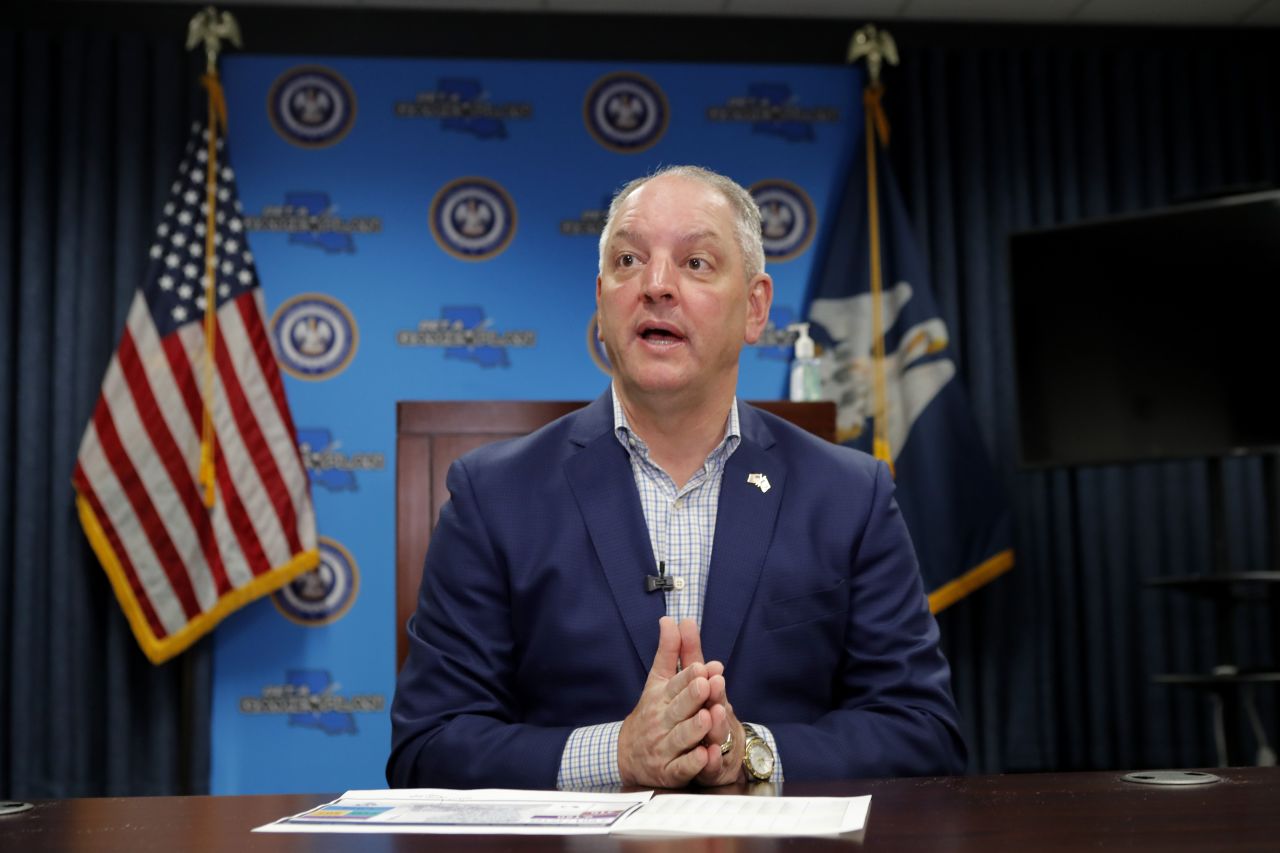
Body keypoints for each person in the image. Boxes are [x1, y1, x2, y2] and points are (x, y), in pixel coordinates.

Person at [387, 166, 966, 790]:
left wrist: (749, 751)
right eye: (629, 259)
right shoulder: (493, 496)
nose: (656, 285)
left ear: (755, 308)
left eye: (695, 263)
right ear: (602, 299)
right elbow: (429, 744)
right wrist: (616, 756)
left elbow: (923, 732)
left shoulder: (851, 495)